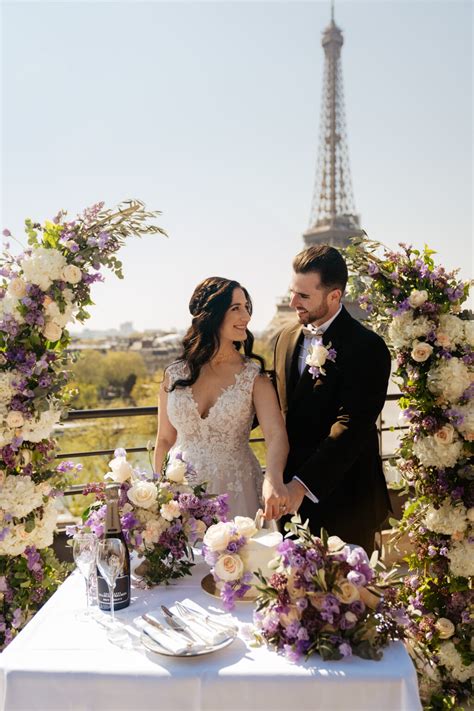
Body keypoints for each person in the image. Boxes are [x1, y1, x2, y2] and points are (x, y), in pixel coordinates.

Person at [273, 245, 391, 553]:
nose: (292, 302)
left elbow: (351, 426)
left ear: (334, 296)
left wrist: (301, 485)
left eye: (303, 296)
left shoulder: (368, 347)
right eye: (292, 292)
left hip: (346, 503)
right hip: (290, 505)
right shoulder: (284, 339)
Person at [154, 276, 289, 520]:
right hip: (180, 493)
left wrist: (273, 479)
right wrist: (157, 493)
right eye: (236, 308)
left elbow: (277, 436)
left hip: (237, 492)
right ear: (212, 314)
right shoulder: (174, 374)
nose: (246, 317)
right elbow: (164, 438)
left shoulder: (254, 377)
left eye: (247, 308)